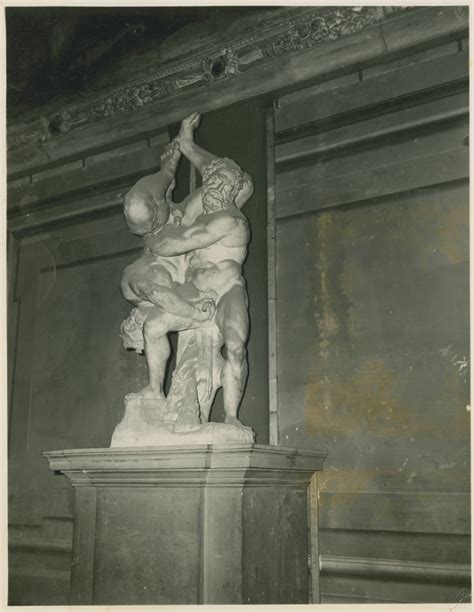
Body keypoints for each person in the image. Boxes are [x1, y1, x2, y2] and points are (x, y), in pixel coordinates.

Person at [145, 112, 254, 427]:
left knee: (235, 346)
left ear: (233, 189)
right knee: (152, 327)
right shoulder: (203, 204)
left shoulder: (230, 220)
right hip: (193, 291)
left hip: (226, 292)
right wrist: (188, 145)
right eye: (213, 181)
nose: (215, 186)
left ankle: (232, 417)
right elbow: (217, 170)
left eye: (222, 184)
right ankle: (153, 389)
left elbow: (172, 244)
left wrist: (156, 231)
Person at [120, 133, 216, 402]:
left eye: (135, 335)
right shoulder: (151, 302)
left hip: (167, 234)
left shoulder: (134, 283)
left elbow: (161, 294)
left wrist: (194, 313)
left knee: (136, 207)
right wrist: (196, 313)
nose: (142, 341)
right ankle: (180, 153)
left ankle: (176, 157)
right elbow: (167, 299)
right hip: (183, 232)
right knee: (231, 186)